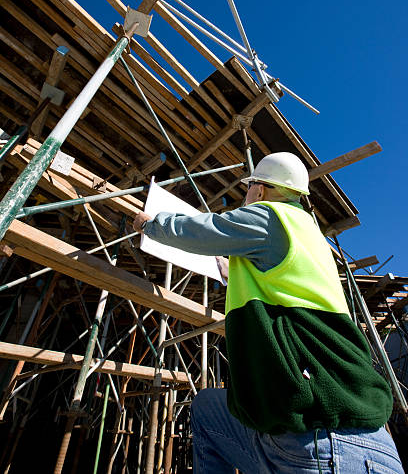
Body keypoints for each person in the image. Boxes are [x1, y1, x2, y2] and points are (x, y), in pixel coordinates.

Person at [133, 152, 403, 473]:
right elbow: (280, 284)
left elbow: (208, 229)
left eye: (249, 189)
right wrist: (229, 266)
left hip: (322, 441)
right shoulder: (309, 238)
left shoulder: (270, 216)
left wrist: (154, 224)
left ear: (259, 190)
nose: (246, 197)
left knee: (211, 411)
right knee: (208, 408)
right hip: (371, 442)